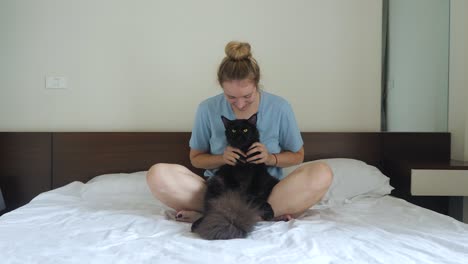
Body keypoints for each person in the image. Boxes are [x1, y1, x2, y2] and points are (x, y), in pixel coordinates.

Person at [146, 41, 332, 222]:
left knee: (322, 172)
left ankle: (225, 214)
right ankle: (256, 214)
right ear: (221, 87)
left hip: (267, 194)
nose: (240, 104)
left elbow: (298, 156)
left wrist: (270, 158)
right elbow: (196, 158)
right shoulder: (207, 109)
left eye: (247, 96)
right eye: (231, 97)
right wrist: (221, 158)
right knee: (157, 175)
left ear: (256, 84)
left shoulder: (280, 107)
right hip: (221, 190)